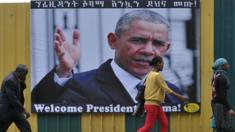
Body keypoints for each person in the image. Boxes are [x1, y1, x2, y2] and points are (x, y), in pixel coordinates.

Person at [32, 10, 182, 106]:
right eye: (138, 40)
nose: (149, 51)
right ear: (113, 41)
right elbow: (35, 110)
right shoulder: (76, 85)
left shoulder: (172, 94)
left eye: (158, 43)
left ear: (166, 49)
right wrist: (63, 70)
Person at [137, 56, 188, 132]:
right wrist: (181, 97)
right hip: (152, 105)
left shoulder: (150, 74)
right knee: (148, 127)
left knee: (164, 123)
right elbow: (167, 90)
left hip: (156, 104)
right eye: (162, 63)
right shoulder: (157, 75)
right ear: (158, 64)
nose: (163, 65)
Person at [0, 64, 31, 132]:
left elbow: (19, 95)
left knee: (26, 127)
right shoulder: (9, 80)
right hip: (6, 112)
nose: (25, 76)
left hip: (15, 110)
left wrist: (23, 83)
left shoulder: (17, 79)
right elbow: (13, 99)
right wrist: (24, 110)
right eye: (25, 74)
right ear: (20, 73)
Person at [211, 58, 235, 132]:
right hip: (220, 105)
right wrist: (229, 108)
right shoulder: (221, 78)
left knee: (221, 128)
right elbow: (221, 95)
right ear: (222, 66)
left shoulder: (216, 76)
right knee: (225, 128)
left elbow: (214, 93)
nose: (228, 66)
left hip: (217, 104)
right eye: (226, 64)